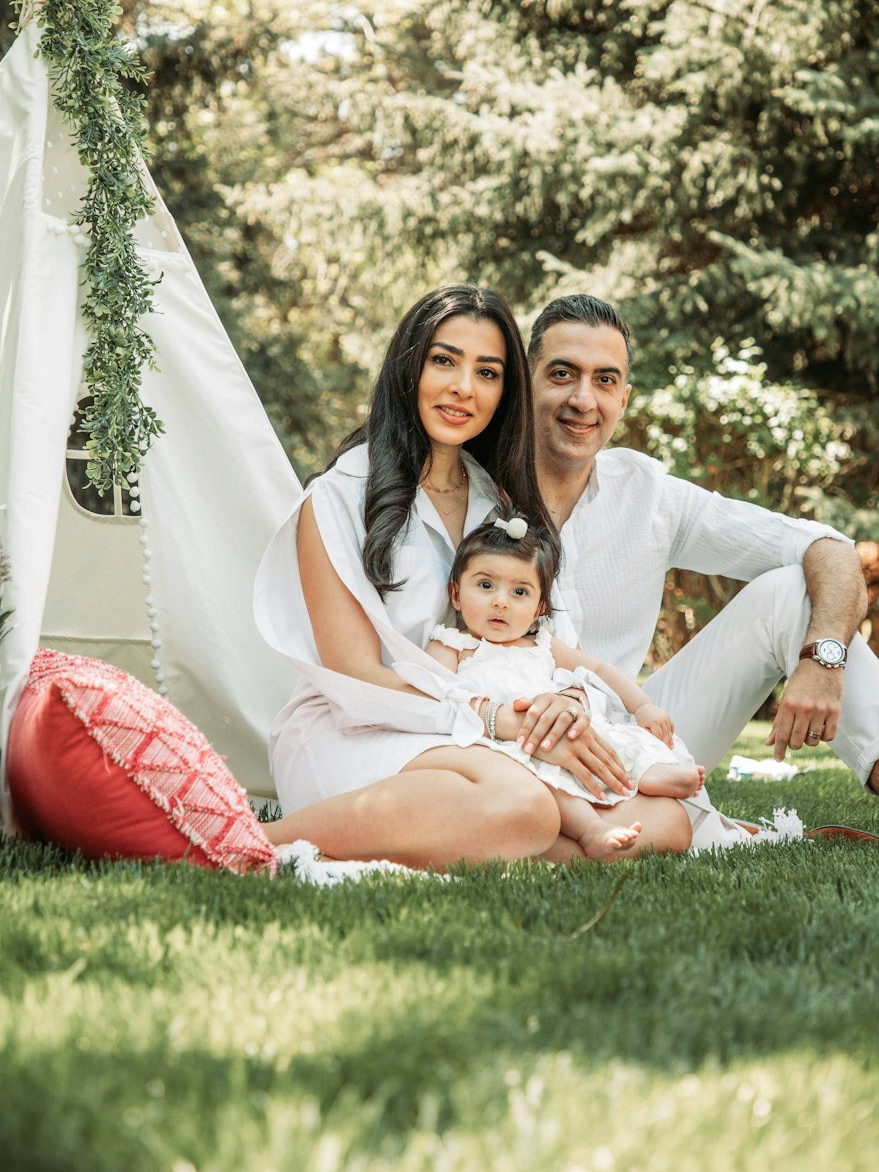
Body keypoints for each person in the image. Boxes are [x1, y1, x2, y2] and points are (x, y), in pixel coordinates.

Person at [524, 293, 879, 854]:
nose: (583, 398)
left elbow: (829, 548)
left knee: (792, 589)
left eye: (605, 380)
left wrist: (824, 657)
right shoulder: (462, 496)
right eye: (562, 374)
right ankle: (687, 826)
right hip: (524, 754)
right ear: (524, 384)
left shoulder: (649, 495)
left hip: (640, 737)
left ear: (623, 399)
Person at [255, 285, 661, 870]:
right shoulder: (337, 498)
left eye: (488, 372)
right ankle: (246, 842)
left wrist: (567, 702)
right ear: (408, 368)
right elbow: (356, 676)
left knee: (664, 820)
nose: (464, 388)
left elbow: (556, 641)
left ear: (505, 392)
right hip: (357, 732)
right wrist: (491, 717)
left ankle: (493, 837)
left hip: (487, 739)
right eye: (444, 361)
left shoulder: (506, 504)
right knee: (525, 805)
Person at [426, 510, 729, 861]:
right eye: (485, 586)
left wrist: (641, 704)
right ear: (456, 594)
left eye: (519, 591)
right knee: (536, 772)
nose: (501, 601)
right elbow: (439, 697)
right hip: (514, 742)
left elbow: (598, 667)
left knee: (619, 739)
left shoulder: (541, 643)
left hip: (569, 730)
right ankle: (591, 830)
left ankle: (647, 774)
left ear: (540, 606)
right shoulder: (454, 645)